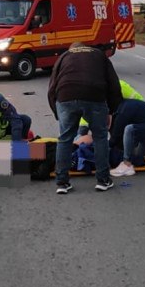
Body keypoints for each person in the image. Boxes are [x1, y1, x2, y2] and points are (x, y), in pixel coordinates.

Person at [47, 41, 122, 194]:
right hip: (94, 95)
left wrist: (57, 113)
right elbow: (114, 84)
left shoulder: (64, 57)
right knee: (100, 137)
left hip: (65, 94)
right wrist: (111, 110)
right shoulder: (100, 56)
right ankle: (103, 180)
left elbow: (52, 86)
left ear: (72, 49)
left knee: (65, 138)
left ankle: (62, 182)